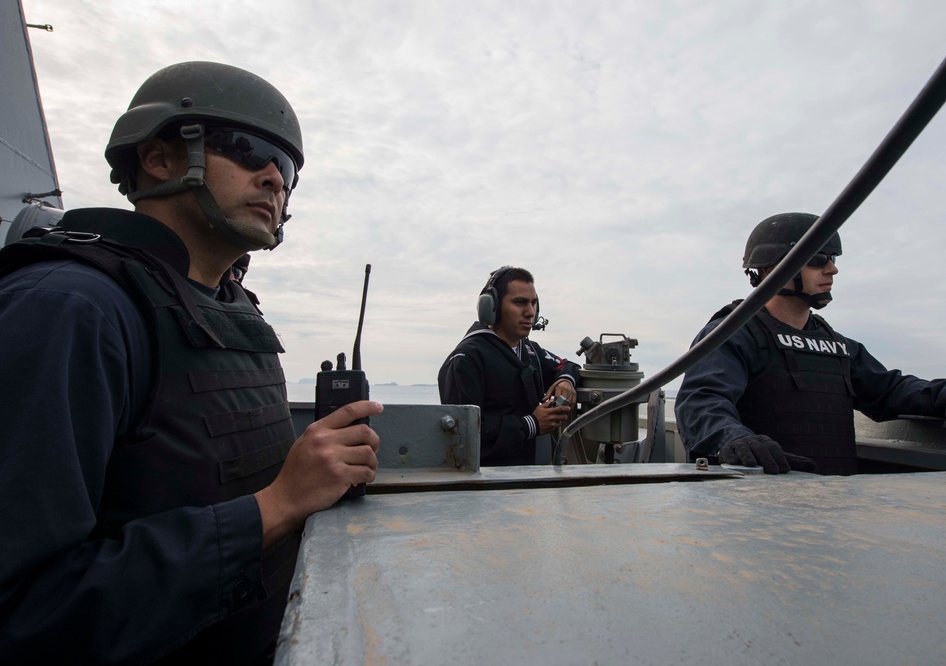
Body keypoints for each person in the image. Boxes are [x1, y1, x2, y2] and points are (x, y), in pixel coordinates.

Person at [0, 62, 381, 663]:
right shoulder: (69, 310)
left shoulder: (234, 312)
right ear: (160, 159)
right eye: (249, 150)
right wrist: (277, 505)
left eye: (286, 171)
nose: (272, 180)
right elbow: (23, 613)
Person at [675, 212, 946, 476]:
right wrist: (736, 440)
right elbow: (702, 403)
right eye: (819, 258)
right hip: (758, 507)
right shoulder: (733, 335)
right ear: (773, 267)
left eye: (831, 258)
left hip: (835, 508)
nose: (832, 268)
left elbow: (889, 390)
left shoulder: (835, 345)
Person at [438, 266, 581, 466]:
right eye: (520, 302)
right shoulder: (467, 358)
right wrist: (530, 424)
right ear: (492, 307)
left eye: (533, 303)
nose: (530, 312)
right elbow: (463, 433)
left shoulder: (530, 351)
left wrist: (566, 380)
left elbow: (567, 366)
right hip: (483, 484)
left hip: (524, 481)